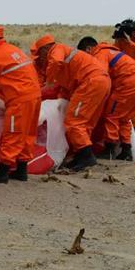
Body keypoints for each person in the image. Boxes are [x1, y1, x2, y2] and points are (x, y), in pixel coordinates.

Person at [0, 25, 42, 183]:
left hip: (19, 99)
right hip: (34, 96)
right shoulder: (13, 50)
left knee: (12, 133)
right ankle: (22, 170)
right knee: (28, 133)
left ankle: (3, 171)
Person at [32, 35, 111, 171]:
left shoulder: (57, 50)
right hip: (101, 82)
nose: (41, 59)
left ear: (46, 49)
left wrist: (49, 81)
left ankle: (86, 157)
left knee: (74, 122)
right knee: (85, 122)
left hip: (90, 83)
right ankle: (81, 155)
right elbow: (63, 88)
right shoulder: (69, 61)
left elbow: (55, 62)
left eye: (40, 54)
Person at [77, 36, 135, 161]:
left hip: (127, 84)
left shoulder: (100, 54)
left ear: (88, 49)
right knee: (125, 117)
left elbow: (100, 74)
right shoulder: (110, 50)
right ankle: (126, 150)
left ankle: (110, 148)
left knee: (112, 115)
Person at [112, 19, 135, 130]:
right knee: (121, 104)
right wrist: (119, 38)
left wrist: (129, 42)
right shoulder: (124, 41)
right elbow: (114, 51)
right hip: (123, 76)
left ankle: (134, 129)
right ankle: (123, 129)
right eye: (134, 30)